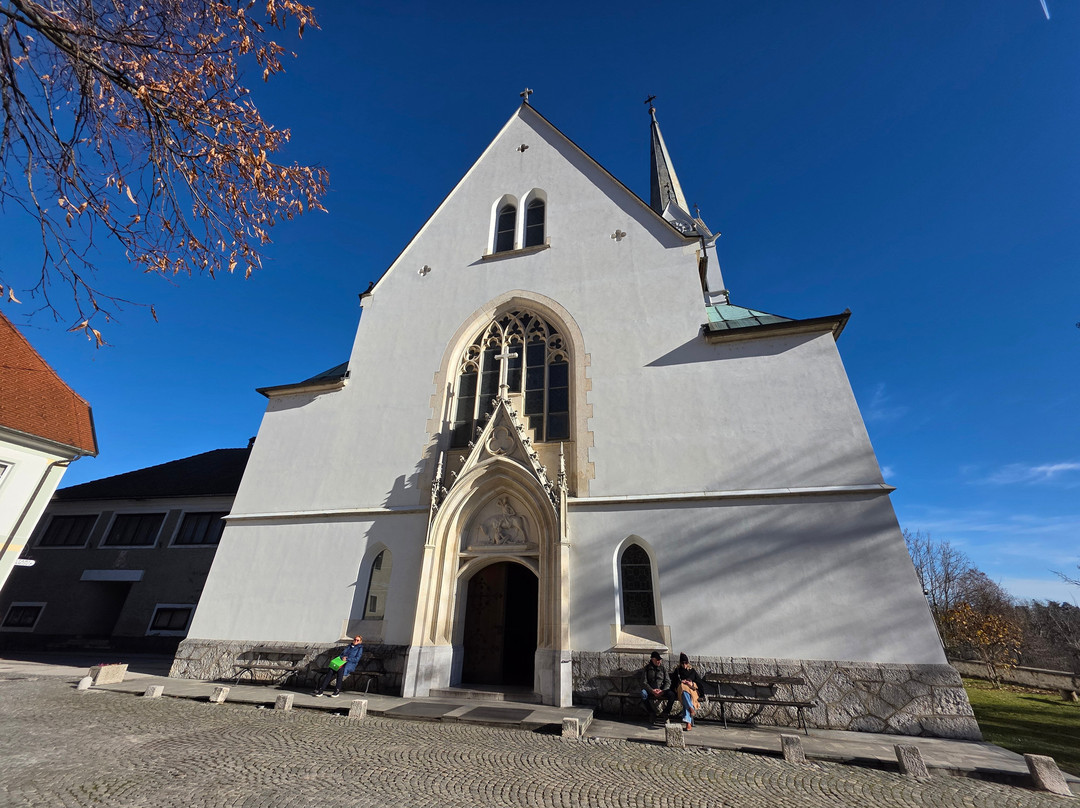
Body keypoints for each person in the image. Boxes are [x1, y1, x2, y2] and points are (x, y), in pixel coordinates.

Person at [671, 653, 705, 731]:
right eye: (682, 663)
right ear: (680, 663)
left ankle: (688, 721)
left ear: (688, 662)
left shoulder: (692, 671)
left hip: (692, 691)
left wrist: (691, 683)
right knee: (683, 687)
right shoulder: (677, 671)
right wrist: (680, 682)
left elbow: (699, 682)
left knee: (686, 695)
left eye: (686, 663)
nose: (684, 665)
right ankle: (690, 711)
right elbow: (673, 684)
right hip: (681, 690)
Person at [640, 651, 675, 721]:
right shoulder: (647, 668)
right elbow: (644, 682)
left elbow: (668, 681)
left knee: (672, 695)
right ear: (653, 660)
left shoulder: (663, 669)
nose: (659, 661)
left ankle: (666, 712)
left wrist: (663, 691)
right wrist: (652, 690)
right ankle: (651, 713)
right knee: (643, 694)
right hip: (650, 690)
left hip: (662, 690)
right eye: (657, 660)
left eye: (660, 660)